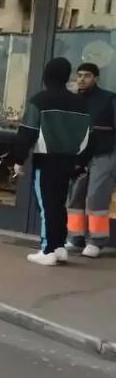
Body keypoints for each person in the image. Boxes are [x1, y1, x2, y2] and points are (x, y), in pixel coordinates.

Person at [10, 57, 92, 266]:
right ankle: (59, 246)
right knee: (59, 204)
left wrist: (18, 159)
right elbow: (87, 137)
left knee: (47, 206)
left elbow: (27, 131)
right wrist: (80, 162)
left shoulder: (40, 100)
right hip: (69, 160)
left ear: (47, 75)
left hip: (46, 160)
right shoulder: (80, 104)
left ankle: (47, 250)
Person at [66, 62, 115, 258]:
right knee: (75, 196)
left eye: (87, 75)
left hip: (105, 153)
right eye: (79, 75)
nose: (82, 79)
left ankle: (96, 241)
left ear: (96, 78)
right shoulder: (73, 100)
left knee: (96, 197)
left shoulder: (108, 99)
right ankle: (75, 237)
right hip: (80, 155)